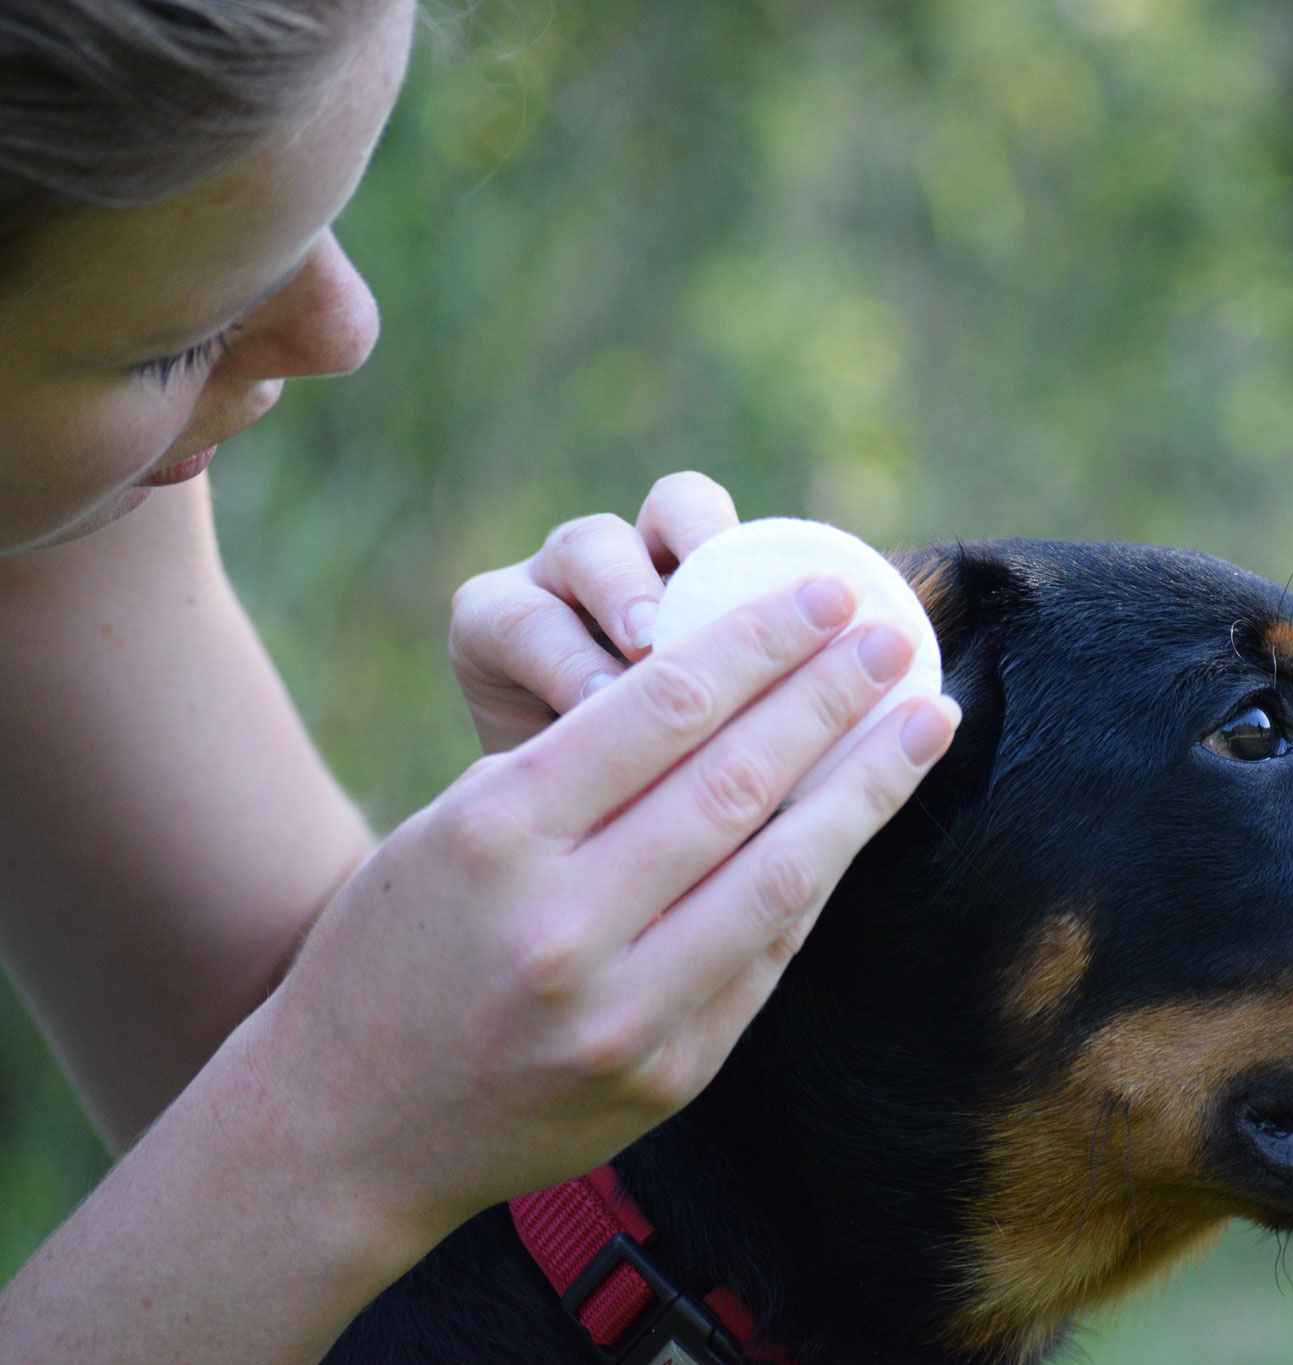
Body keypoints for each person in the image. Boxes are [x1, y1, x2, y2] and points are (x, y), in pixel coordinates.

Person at [0, 0, 961, 1359]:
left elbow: (252, 1092)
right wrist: (336, 1117)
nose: (345, 327)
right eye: (179, 332)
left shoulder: (54, 505)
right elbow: (311, 1124)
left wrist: (561, 878)